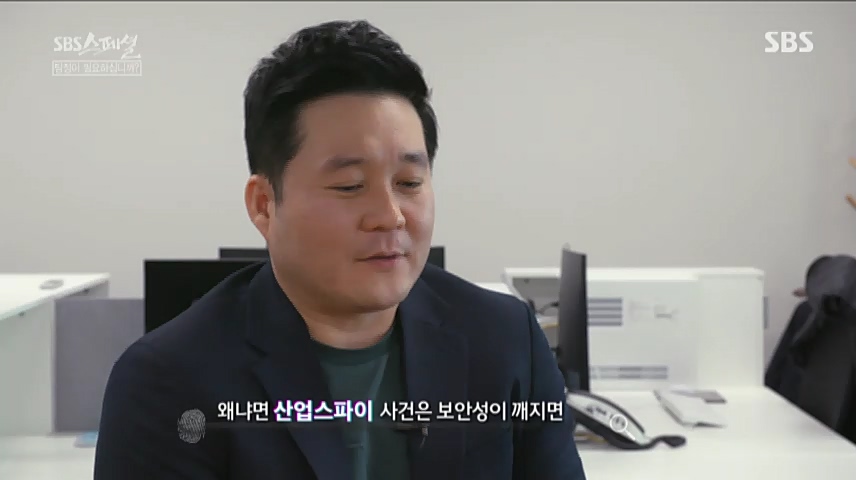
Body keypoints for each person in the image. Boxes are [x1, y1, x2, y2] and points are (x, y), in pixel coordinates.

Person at [94, 20, 586, 480]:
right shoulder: (168, 381)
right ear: (264, 205)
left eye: (409, 182)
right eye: (350, 186)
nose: (390, 215)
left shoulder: (505, 339)